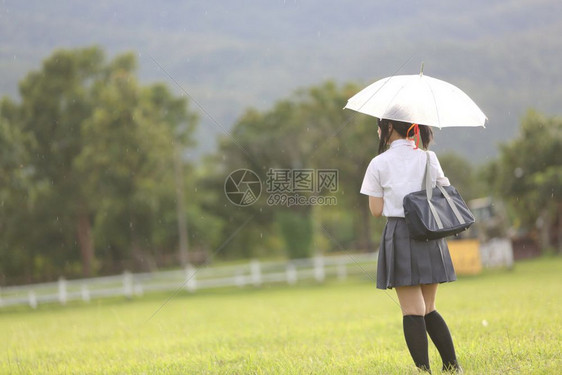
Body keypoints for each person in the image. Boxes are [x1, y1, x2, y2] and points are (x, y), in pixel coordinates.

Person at [360, 118, 462, 373]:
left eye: (379, 125)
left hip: (400, 233)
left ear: (389, 128)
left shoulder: (378, 163)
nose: (378, 130)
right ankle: (452, 367)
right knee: (428, 308)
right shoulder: (429, 158)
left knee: (412, 310)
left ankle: (423, 371)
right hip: (430, 232)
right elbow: (445, 191)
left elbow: (376, 210)